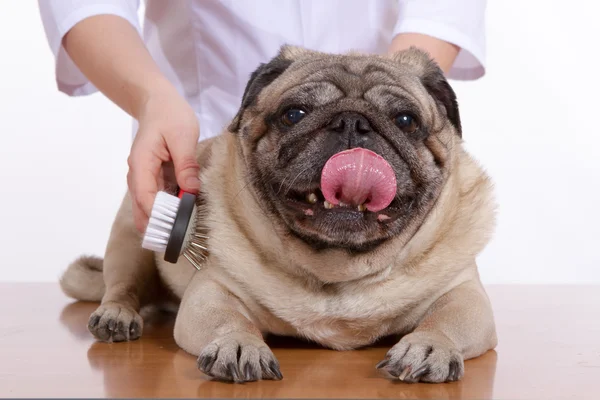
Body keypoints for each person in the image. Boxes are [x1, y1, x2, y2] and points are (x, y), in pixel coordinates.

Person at [38, 0, 487, 233]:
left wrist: (388, 121)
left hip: (387, 210)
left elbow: (440, 10)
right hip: (203, 159)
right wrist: (151, 98)